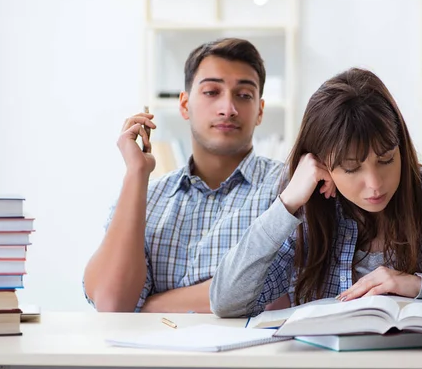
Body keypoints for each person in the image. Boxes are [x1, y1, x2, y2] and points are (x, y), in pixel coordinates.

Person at [210, 67, 422, 318]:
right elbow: (227, 302)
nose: (374, 184)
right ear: (321, 165)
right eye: (351, 167)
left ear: (401, 146)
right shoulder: (304, 211)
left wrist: (420, 286)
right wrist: (286, 204)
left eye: (386, 160)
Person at [83, 38, 285, 313]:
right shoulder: (148, 197)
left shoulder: (288, 189)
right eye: (212, 92)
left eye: (244, 95)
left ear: (259, 111)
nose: (228, 108)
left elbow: (279, 294)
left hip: (249, 356)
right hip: (149, 356)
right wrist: (136, 173)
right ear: (184, 104)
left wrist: (148, 308)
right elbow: (112, 304)